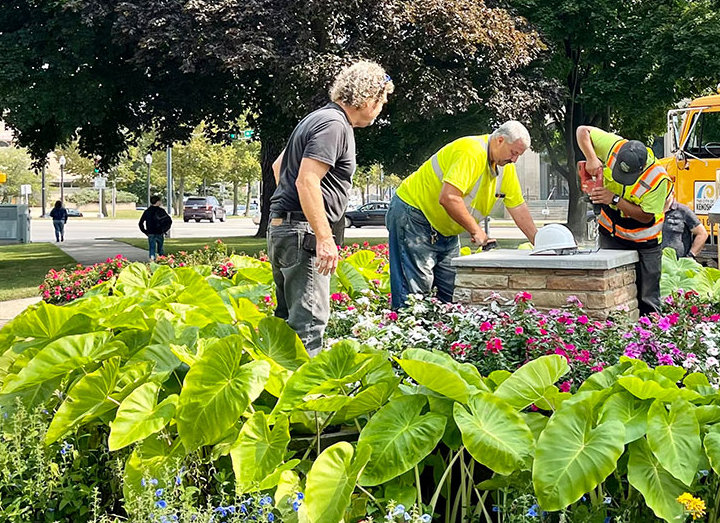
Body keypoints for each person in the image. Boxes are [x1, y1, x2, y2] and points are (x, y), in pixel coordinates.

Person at [268, 60, 392, 353]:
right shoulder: (335, 126)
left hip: (284, 228)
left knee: (287, 321)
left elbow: (278, 168)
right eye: (382, 101)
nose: (381, 108)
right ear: (367, 98)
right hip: (303, 234)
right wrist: (323, 237)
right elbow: (307, 181)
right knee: (308, 326)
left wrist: (288, 212)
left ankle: (280, 391)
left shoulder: (316, 118)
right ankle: (306, 397)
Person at [387, 121, 540, 309]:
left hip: (446, 230)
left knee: (452, 293)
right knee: (414, 294)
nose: (515, 160)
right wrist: (477, 232)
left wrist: (540, 243)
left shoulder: (506, 170)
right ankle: (408, 332)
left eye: (519, 155)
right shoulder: (471, 151)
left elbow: (518, 208)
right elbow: (449, 197)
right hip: (414, 216)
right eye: (513, 153)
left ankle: (440, 334)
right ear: (500, 140)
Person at [576, 124, 673, 313]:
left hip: (645, 242)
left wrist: (613, 199)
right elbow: (582, 131)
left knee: (648, 298)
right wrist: (591, 158)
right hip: (611, 234)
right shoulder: (613, 146)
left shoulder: (658, 179)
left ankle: (651, 335)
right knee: (610, 292)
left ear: (642, 167)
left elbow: (646, 217)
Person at [661, 197, 708, 264]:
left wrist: (690, 256)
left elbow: (702, 234)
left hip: (678, 265)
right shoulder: (652, 212)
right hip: (657, 263)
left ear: (672, 192)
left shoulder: (683, 211)